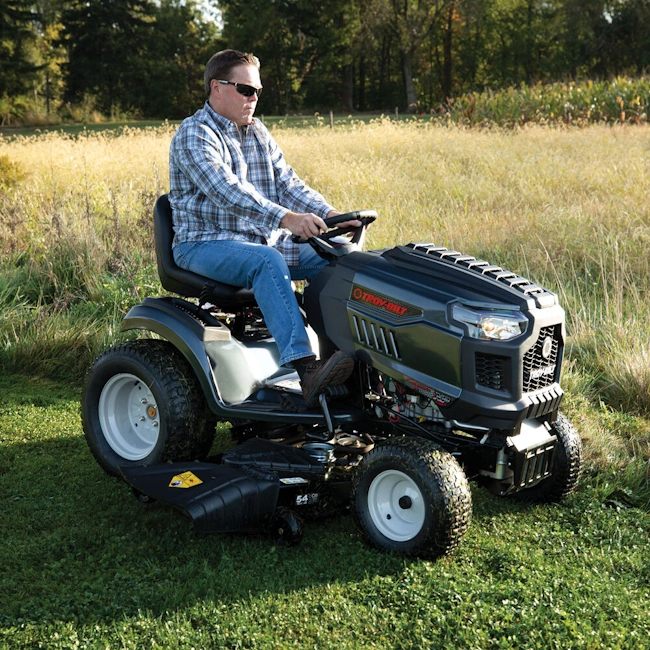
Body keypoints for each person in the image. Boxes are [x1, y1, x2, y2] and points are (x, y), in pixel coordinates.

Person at [169, 49, 358, 406]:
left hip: (257, 240)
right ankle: (307, 370)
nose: (253, 98)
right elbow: (226, 191)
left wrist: (331, 214)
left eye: (257, 91)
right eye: (245, 89)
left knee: (342, 260)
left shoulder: (256, 132)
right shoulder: (194, 134)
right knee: (266, 261)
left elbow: (289, 184)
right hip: (204, 244)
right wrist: (288, 220)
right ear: (217, 88)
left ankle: (344, 361)